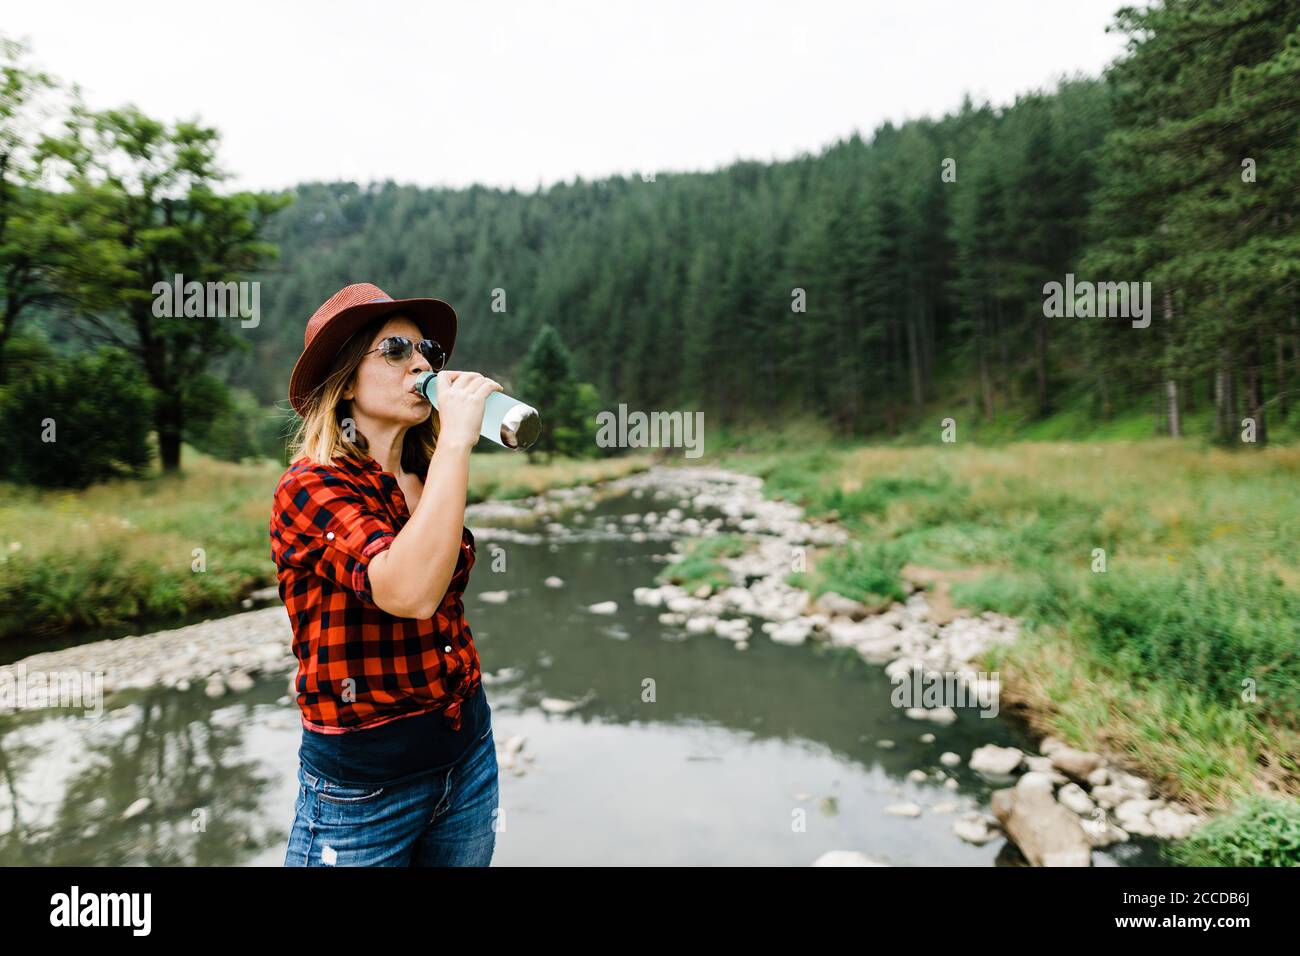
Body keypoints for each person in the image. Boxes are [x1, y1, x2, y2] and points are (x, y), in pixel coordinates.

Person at [272, 282, 503, 866]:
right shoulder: (310, 487)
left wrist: (447, 454)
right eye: (395, 350)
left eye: (427, 351)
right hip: (362, 794)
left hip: (467, 757)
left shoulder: (427, 473)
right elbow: (409, 593)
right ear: (346, 380)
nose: (422, 363)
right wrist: (457, 442)